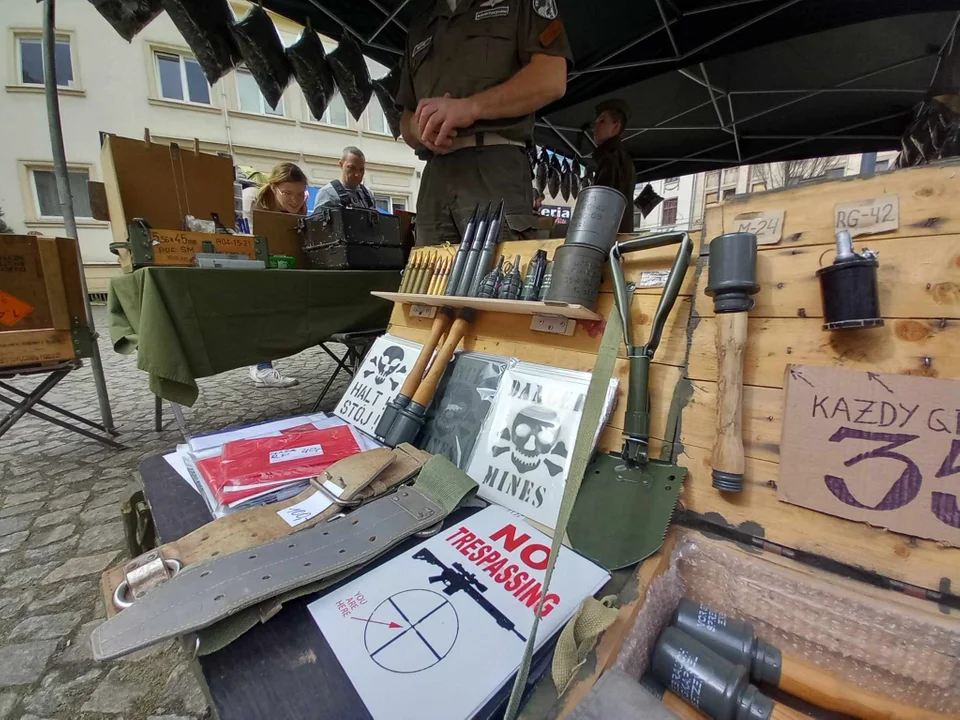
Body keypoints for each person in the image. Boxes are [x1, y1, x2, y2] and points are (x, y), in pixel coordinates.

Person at [397, 0, 572, 246]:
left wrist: (470, 108)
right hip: (435, 175)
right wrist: (419, 127)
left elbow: (552, 79)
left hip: (496, 165)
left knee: (500, 280)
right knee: (428, 281)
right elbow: (405, 118)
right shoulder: (420, 24)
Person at [248, 163, 308, 388]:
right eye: (288, 193)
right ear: (274, 188)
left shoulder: (299, 211)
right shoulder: (255, 205)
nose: (295, 200)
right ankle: (262, 367)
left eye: (301, 194)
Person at [591, 98, 637, 233]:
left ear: (616, 127)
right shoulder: (620, 158)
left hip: (608, 238)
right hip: (618, 236)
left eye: (602, 121)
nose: (596, 127)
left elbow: (602, 207)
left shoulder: (611, 159)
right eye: (596, 122)